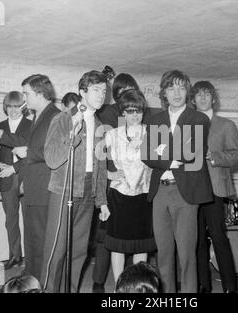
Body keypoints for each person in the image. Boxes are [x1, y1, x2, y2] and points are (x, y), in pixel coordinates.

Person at [141, 70, 213, 293]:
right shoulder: (155, 120)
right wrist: (168, 157)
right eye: (171, 88)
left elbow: (189, 153)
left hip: (186, 193)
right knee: (163, 252)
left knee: (186, 253)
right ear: (164, 93)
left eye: (181, 87)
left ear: (187, 91)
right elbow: (147, 155)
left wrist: (162, 150)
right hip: (160, 193)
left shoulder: (198, 118)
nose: (177, 93)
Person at [0, 74, 61, 281]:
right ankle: (32, 278)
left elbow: (53, 152)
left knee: (39, 239)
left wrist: (27, 152)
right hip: (34, 187)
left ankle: (39, 279)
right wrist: (0, 135)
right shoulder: (40, 115)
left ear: (38, 93)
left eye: (27, 94)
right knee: (33, 239)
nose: (25, 99)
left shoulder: (54, 116)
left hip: (42, 188)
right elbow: (32, 145)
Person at [41, 70, 109, 293]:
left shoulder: (100, 123)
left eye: (104, 90)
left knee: (79, 251)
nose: (102, 95)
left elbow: (101, 165)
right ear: (82, 92)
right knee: (57, 250)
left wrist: (103, 201)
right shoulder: (62, 119)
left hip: (88, 191)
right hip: (65, 190)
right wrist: (73, 134)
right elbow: (51, 159)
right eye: (96, 90)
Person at [92, 73, 141, 293]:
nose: (127, 93)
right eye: (123, 90)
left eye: (131, 88)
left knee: (137, 242)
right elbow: (98, 157)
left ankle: (137, 286)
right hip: (115, 189)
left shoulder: (146, 125)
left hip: (139, 191)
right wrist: (110, 176)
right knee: (111, 241)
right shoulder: (108, 121)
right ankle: (108, 285)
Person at [190, 81, 238, 293]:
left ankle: (230, 287)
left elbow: (237, 156)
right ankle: (204, 285)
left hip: (215, 189)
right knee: (198, 240)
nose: (202, 98)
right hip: (191, 189)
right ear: (193, 100)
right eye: (198, 95)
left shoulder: (226, 125)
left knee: (219, 237)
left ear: (213, 99)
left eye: (206, 94)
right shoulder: (187, 124)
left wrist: (214, 156)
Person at [104, 89, 157, 283]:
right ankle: (120, 286)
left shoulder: (152, 134)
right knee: (118, 245)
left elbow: (161, 162)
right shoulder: (112, 135)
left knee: (140, 246)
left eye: (138, 111)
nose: (134, 115)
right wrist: (109, 174)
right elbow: (94, 160)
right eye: (130, 111)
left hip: (144, 196)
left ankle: (137, 285)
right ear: (123, 113)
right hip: (119, 195)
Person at [0, 91, 32, 269]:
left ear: (23, 107)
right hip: (7, 178)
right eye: (10, 106)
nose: (13, 110)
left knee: (31, 220)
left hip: (28, 177)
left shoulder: (32, 125)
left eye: (17, 106)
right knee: (11, 220)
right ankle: (14, 256)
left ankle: (31, 257)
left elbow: (32, 152)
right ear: (5, 107)